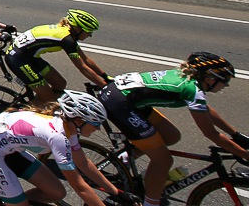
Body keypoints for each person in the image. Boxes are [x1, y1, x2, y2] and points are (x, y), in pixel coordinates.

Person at [96, 52, 249, 206]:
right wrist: (244, 154)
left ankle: (125, 160)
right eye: (225, 81)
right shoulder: (192, 89)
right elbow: (210, 133)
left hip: (125, 97)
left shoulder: (190, 79)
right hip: (119, 103)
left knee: (171, 136)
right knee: (163, 160)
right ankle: (150, 203)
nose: (226, 85)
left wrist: (236, 135)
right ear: (210, 78)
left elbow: (206, 111)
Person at [0, 91, 131, 206]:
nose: (97, 129)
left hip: (10, 150)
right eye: (96, 124)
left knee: (57, 193)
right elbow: (80, 187)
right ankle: (12, 202)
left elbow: (83, 163)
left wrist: (116, 193)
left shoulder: (69, 128)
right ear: (78, 120)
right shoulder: (58, 136)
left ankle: (11, 201)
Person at [6, 9, 110, 104]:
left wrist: (105, 76)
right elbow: (83, 68)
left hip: (29, 56)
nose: (90, 35)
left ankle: (39, 102)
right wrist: (105, 87)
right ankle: (15, 115)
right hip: (18, 59)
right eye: (88, 31)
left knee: (60, 84)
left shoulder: (66, 33)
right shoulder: (66, 39)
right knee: (49, 100)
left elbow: (85, 59)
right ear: (78, 29)